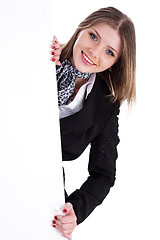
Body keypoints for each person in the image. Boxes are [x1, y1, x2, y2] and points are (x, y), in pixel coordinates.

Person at [51, 6, 136, 239]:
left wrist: (75, 211)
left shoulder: (106, 106)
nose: (95, 52)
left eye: (109, 52)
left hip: (41, 187)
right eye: (93, 36)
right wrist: (32, 62)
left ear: (115, 63)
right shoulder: (44, 56)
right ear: (82, 28)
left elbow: (103, 174)